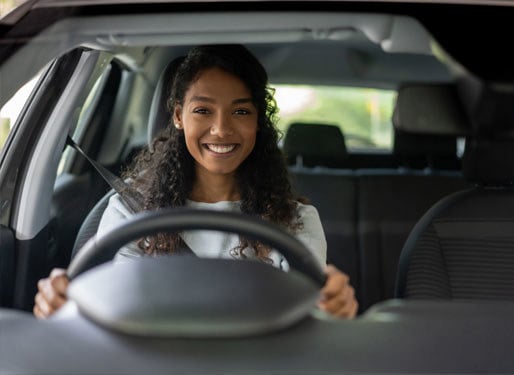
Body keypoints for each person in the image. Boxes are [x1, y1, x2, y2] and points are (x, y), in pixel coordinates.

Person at [33, 44, 358, 320]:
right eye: (203, 110)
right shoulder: (129, 212)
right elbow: (105, 308)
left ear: (258, 120)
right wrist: (65, 304)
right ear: (178, 116)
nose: (221, 129)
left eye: (241, 112)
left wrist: (332, 307)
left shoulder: (296, 222)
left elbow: (310, 317)